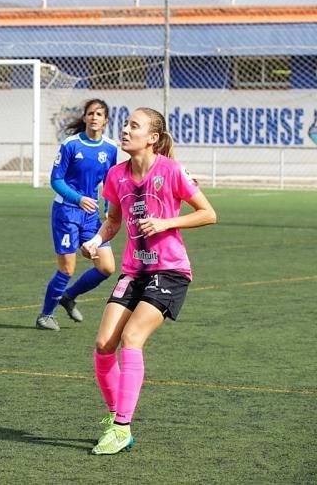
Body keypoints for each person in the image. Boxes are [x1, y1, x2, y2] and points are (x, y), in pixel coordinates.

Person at [80, 107, 217, 455]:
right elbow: (113, 220)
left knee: (131, 338)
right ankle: (115, 418)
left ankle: (123, 427)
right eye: (125, 125)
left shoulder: (171, 171)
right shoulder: (116, 175)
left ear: (152, 138)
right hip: (134, 271)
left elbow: (208, 213)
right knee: (102, 345)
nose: (125, 130)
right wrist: (96, 242)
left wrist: (167, 223)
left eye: (134, 126)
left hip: (170, 272)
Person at [36, 99, 118, 331]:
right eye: (90, 113)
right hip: (67, 212)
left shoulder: (110, 148)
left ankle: (68, 296)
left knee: (106, 268)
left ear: (106, 120)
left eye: (99, 114)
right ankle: (45, 315)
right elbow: (56, 180)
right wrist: (78, 198)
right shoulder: (71, 144)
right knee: (67, 268)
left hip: (91, 216)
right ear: (84, 118)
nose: (94, 117)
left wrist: (108, 212)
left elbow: (110, 184)